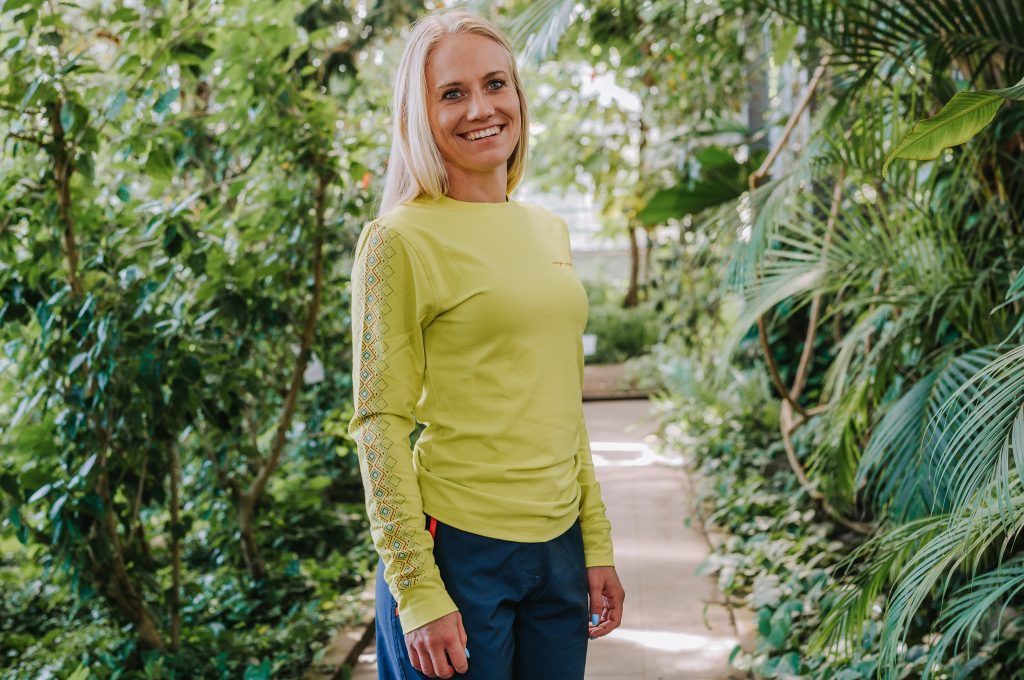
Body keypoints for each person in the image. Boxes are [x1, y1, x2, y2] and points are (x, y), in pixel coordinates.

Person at [347, 9, 624, 679]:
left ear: (518, 95)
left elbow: (559, 401)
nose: (481, 108)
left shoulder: (548, 230)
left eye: (495, 83)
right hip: (460, 550)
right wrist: (416, 588)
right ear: (421, 112)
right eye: (452, 93)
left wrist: (595, 543)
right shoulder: (398, 239)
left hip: (557, 552)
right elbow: (379, 422)